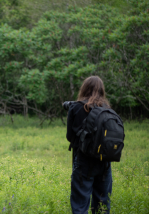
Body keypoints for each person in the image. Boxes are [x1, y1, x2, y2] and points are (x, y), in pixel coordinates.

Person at [66, 76, 112, 214]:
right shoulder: (107, 109)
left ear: (84, 88)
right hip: (104, 161)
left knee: (80, 205)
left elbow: (70, 137)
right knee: (102, 205)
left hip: (83, 162)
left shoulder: (76, 107)